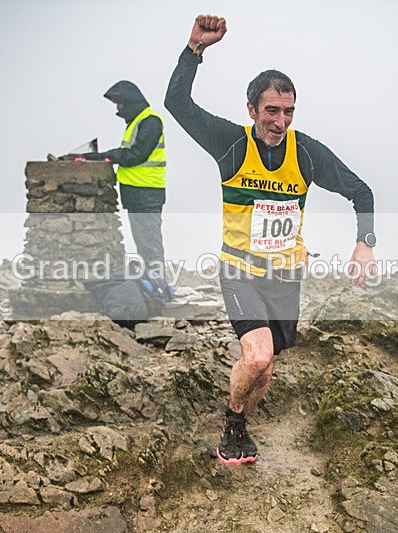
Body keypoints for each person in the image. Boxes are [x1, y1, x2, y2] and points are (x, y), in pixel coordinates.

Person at [165, 15, 378, 464]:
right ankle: (232, 422)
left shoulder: (306, 152)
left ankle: (242, 416)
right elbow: (177, 104)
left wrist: (366, 242)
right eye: (271, 111)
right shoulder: (230, 143)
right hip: (239, 269)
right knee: (258, 357)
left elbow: (362, 191)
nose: (280, 122)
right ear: (252, 110)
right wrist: (194, 50)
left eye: (288, 112)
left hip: (286, 276)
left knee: (266, 369)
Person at [76, 81, 167, 279]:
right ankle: (152, 284)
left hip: (147, 192)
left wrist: (102, 156)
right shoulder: (137, 121)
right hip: (137, 192)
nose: (118, 108)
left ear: (129, 101)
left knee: (149, 244)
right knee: (144, 243)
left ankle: (158, 287)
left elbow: (136, 154)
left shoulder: (150, 120)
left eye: (119, 103)